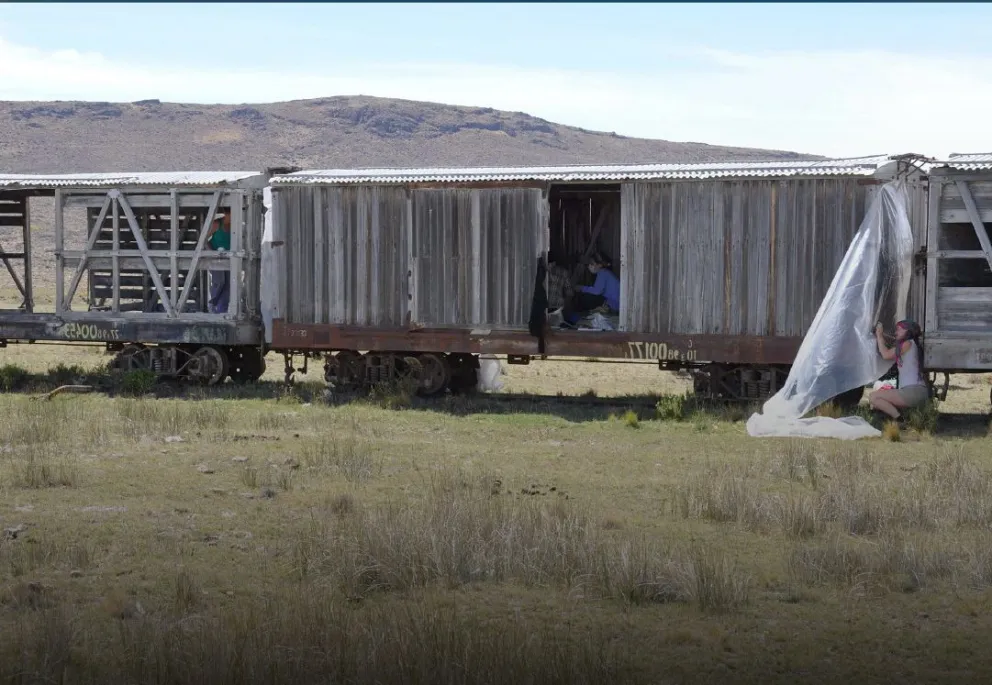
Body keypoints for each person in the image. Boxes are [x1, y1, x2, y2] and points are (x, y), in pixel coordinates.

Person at [868, 320, 929, 424]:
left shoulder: (908, 343)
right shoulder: (912, 344)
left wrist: (879, 335)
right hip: (916, 391)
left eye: (899, 329)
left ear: (908, 331)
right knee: (878, 396)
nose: (896, 332)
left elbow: (886, 354)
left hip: (912, 392)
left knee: (874, 397)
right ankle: (902, 418)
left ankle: (900, 420)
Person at [561, 254, 620, 327]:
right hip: (613, 303)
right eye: (589, 264)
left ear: (599, 265)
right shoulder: (605, 273)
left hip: (613, 304)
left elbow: (597, 291)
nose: (589, 266)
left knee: (584, 298)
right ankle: (575, 318)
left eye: (592, 264)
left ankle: (574, 319)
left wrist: (581, 288)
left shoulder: (603, 273)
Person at [205, 212, 231, 314]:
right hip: (215, 258)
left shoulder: (235, 226)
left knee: (228, 285)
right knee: (219, 281)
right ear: (227, 214)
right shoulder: (216, 224)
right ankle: (212, 304)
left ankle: (222, 310)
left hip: (228, 258)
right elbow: (203, 239)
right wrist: (212, 253)